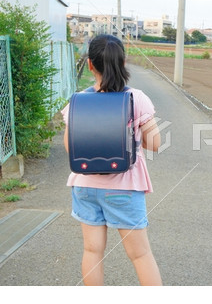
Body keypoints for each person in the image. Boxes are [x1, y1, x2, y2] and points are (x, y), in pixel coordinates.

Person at [61, 34, 162, 286]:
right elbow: (156, 144)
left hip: (84, 185)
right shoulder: (135, 98)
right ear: (123, 62)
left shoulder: (77, 101)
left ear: (91, 64)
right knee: (140, 254)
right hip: (124, 187)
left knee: (92, 252)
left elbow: (68, 146)